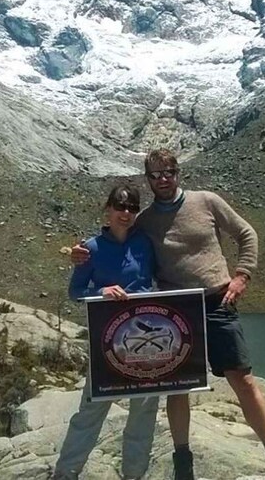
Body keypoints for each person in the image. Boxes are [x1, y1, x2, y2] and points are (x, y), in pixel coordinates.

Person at [71, 149, 265, 480]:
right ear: (148, 179)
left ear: (178, 173)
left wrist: (242, 274)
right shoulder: (144, 219)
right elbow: (116, 240)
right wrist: (80, 252)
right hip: (176, 309)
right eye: (155, 174)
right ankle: (183, 463)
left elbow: (246, 233)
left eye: (169, 172)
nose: (163, 179)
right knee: (179, 386)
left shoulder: (207, 201)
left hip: (218, 300)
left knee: (242, 378)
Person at [52, 184, 160, 480]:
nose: (126, 213)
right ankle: (65, 473)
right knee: (90, 413)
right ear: (108, 210)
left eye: (132, 207)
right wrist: (101, 291)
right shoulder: (91, 248)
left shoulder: (145, 244)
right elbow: (75, 291)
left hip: (145, 344)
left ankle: (134, 475)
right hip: (108, 343)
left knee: (144, 414)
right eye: (120, 206)